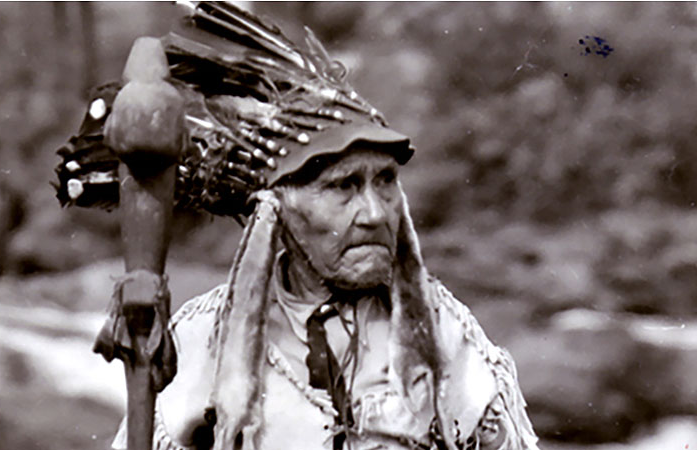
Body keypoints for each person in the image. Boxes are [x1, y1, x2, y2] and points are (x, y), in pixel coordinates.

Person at [56, 3, 538, 450]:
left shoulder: (439, 332)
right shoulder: (204, 340)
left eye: (386, 181)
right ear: (277, 208)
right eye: (344, 186)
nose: (374, 212)